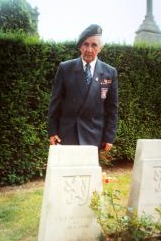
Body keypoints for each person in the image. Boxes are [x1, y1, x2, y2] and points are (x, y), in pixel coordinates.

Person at [47, 24, 118, 152]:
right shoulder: (65, 68)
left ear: (100, 48)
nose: (89, 49)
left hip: (94, 136)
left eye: (94, 45)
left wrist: (109, 137)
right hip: (67, 135)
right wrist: (52, 131)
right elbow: (55, 103)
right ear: (80, 46)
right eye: (85, 44)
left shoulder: (110, 72)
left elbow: (112, 109)